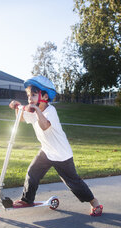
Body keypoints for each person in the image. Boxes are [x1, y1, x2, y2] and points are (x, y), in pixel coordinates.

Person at [9, 75, 103, 216]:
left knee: (73, 183)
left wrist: (36, 109)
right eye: (28, 95)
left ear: (45, 97)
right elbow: (20, 118)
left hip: (61, 154)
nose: (29, 98)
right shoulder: (34, 111)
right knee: (32, 172)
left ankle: (95, 203)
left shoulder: (50, 111)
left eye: (33, 95)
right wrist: (17, 108)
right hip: (47, 151)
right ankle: (27, 200)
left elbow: (45, 125)